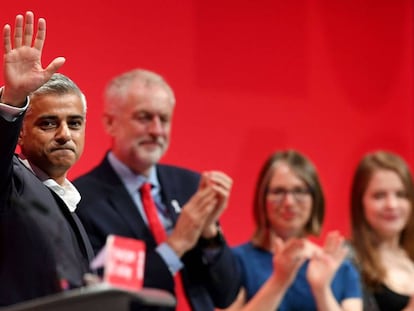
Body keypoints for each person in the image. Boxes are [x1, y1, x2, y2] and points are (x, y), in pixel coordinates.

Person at [73, 69, 241, 310]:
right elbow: (103, 296)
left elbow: (226, 295)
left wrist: (210, 235)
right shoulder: (82, 200)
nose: (156, 130)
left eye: (164, 119)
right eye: (144, 118)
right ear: (110, 123)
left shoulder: (191, 186)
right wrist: (177, 244)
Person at [0, 11, 93, 306]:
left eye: (75, 123)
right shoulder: (11, 181)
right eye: (48, 123)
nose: (65, 134)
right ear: (21, 133)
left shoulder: (71, 203)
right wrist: (12, 101)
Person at [221, 150, 362, 311]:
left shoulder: (340, 268)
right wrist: (279, 281)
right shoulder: (237, 261)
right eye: (278, 192)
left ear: (315, 199)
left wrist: (321, 290)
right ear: (262, 198)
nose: (288, 202)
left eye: (299, 191)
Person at [350, 151, 414, 311]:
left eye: (401, 195)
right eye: (379, 196)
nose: (392, 205)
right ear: (360, 203)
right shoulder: (349, 261)